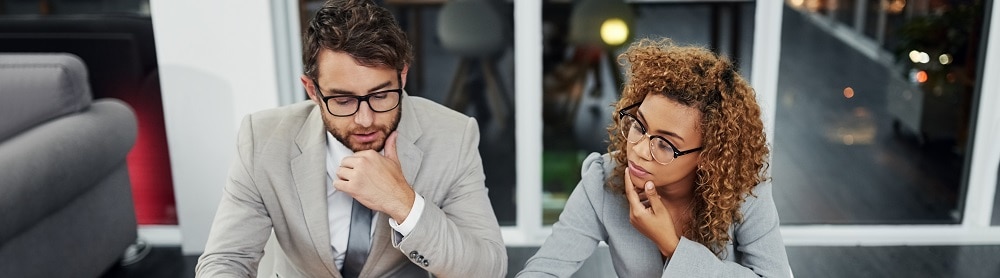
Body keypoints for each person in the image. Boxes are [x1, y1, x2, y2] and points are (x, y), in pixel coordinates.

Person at [195, 0, 507, 277]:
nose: (365, 120)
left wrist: (405, 204)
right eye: (343, 101)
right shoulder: (262, 138)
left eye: (381, 95)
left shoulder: (452, 135)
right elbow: (226, 260)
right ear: (312, 91)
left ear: (402, 77)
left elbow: (488, 269)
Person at [518, 38, 790, 277]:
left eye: (664, 144)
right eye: (639, 126)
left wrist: (672, 246)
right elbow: (544, 269)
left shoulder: (743, 189)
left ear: (709, 156)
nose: (637, 149)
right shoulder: (603, 178)